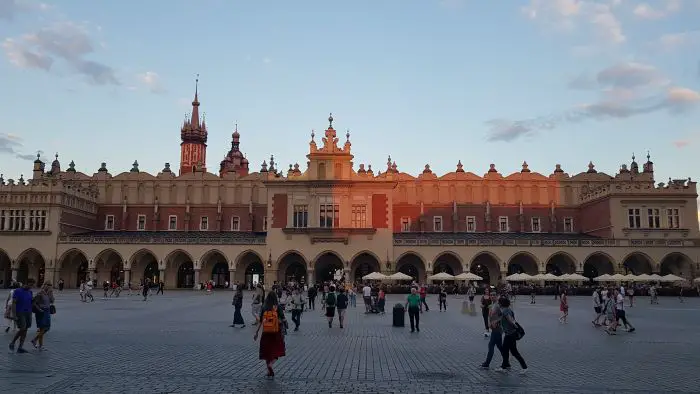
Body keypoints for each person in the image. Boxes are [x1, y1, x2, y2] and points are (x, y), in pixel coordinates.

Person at [253, 291, 287, 377]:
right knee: (277, 349)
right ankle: (271, 364)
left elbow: (260, 321)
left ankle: (268, 370)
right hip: (276, 332)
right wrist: (286, 325)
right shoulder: (277, 307)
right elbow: (283, 318)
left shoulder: (264, 307)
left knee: (267, 351)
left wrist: (256, 332)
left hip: (266, 332)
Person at [496, 297, 527, 374]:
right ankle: (505, 366)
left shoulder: (506, 311)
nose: (498, 304)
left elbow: (510, 320)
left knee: (514, 352)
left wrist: (515, 326)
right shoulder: (508, 310)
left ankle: (524, 367)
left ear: (501, 303)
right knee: (506, 350)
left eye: (499, 302)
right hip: (509, 334)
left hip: (510, 334)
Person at [9, 280, 34, 353]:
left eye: (32, 285)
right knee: (22, 328)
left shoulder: (30, 292)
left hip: (28, 312)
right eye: (29, 285)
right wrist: (14, 315)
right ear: (25, 284)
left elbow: (31, 302)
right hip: (20, 312)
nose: (30, 287)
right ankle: (13, 342)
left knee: (25, 329)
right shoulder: (17, 291)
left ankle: (20, 347)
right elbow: (14, 303)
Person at [481, 291, 503, 369]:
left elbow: (503, 315)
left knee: (491, 345)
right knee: (500, 346)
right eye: (491, 295)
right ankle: (506, 362)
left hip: (498, 328)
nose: (492, 296)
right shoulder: (492, 305)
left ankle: (487, 363)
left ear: (497, 296)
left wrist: (496, 321)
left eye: (494, 295)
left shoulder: (498, 305)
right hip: (494, 329)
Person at [30, 282, 54, 351]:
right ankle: (40, 345)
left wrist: (51, 294)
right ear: (44, 285)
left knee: (47, 327)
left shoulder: (49, 293)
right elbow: (34, 302)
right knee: (42, 328)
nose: (49, 287)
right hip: (41, 311)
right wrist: (39, 309)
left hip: (47, 311)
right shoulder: (40, 293)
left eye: (50, 286)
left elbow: (52, 301)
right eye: (48, 286)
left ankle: (35, 340)